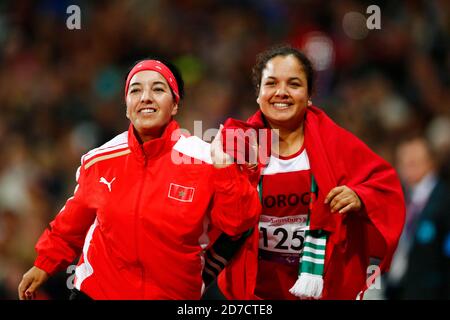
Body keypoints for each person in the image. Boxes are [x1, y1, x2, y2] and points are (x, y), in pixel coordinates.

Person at [17, 58, 261, 300]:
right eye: (136, 90)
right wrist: (44, 264)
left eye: (158, 89)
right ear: (126, 106)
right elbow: (70, 225)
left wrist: (225, 167)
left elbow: (238, 223)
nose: (146, 97)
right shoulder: (99, 160)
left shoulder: (207, 160)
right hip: (95, 293)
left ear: (174, 105)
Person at [205, 45, 405, 300]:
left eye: (294, 84)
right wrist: (223, 171)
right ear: (259, 93)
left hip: (323, 289)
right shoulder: (235, 146)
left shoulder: (336, 143)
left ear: (310, 95)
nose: (281, 92)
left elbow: (385, 185)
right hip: (256, 293)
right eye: (271, 83)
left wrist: (360, 196)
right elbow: (224, 221)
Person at [384, 136, 450, 299]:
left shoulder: (445, 200)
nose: (406, 168)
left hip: (431, 291)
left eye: (413, 162)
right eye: (403, 163)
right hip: (395, 288)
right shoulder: (398, 197)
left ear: (430, 163)